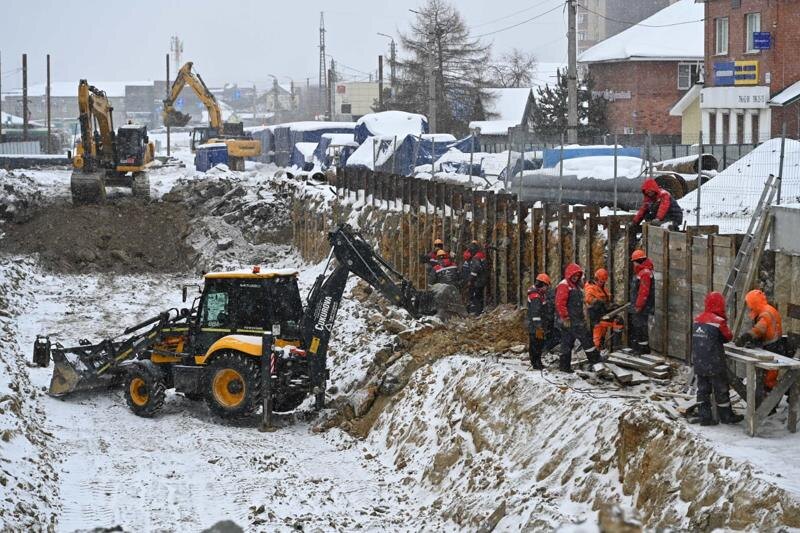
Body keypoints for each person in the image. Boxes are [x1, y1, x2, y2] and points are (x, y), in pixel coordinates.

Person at [692, 291, 744, 426]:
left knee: (702, 390)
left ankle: (705, 417)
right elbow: (728, 337)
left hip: (699, 361)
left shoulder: (696, 319)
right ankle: (726, 416)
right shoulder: (718, 322)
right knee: (721, 389)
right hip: (714, 362)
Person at [555, 263, 601, 373]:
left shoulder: (575, 286)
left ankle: (564, 367)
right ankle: (596, 363)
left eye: (577, 275)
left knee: (567, 344)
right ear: (569, 274)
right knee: (587, 342)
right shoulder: (565, 285)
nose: (576, 277)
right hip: (572, 321)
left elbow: (580, 304)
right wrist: (565, 317)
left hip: (575, 321)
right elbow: (560, 303)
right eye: (574, 275)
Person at [735, 289, 784, 390]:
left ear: (753, 303)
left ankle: (770, 400)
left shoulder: (765, 314)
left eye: (750, 305)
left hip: (773, 347)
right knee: (768, 376)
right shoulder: (767, 309)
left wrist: (745, 337)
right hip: (775, 344)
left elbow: (759, 330)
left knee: (768, 378)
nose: (749, 308)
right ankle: (769, 397)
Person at [629, 249, 654, 355]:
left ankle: (642, 349)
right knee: (638, 326)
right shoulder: (643, 271)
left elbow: (643, 292)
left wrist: (638, 305)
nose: (633, 264)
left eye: (634, 261)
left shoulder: (644, 273)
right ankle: (639, 347)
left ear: (638, 261)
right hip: (641, 305)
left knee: (640, 327)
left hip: (642, 306)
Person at [527, 273, 553, 370]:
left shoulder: (539, 294)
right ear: (542, 285)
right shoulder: (536, 296)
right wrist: (539, 326)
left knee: (538, 343)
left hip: (538, 325)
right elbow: (536, 312)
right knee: (536, 343)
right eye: (546, 286)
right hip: (536, 326)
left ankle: (537, 362)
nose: (547, 289)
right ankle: (536, 363)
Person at [584, 268, 613, 352]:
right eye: (601, 281)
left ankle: (600, 348)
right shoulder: (591, 287)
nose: (603, 283)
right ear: (596, 279)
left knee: (603, 332)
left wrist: (609, 304)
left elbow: (607, 298)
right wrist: (598, 302)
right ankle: (596, 351)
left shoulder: (602, 288)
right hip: (595, 315)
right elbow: (588, 299)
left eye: (604, 281)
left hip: (602, 314)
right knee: (597, 334)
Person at [462, 240, 488, 315]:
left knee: (476, 296)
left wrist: (470, 279)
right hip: (483, 277)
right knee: (479, 295)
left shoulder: (475, 258)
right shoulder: (481, 255)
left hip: (479, 280)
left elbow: (475, 269)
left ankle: (478, 312)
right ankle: (479, 310)